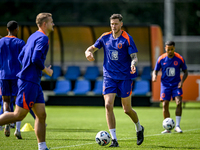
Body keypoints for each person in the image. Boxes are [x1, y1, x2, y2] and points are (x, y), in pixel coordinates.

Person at [85, 14, 144, 147]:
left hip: (125, 77)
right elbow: (91, 48)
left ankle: (139, 128)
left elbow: (134, 57)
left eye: (116, 24)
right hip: (109, 77)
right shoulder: (104, 37)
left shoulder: (127, 39)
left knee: (127, 109)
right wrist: (88, 53)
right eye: (112, 24)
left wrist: (133, 64)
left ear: (121, 24)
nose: (114, 26)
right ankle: (114, 139)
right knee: (108, 105)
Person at [0, 13, 54, 150]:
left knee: (41, 115)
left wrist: (27, 70)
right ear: (45, 24)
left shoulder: (33, 36)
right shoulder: (43, 38)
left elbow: (21, 56)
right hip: (29, 82)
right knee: (18, 115)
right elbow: (36, 58)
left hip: (33, 82)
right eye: (51, 22)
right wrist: (46, 70)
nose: (53, 24)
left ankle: (42, 147)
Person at [152, 41, 188, 134]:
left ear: (174, 48)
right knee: (165, 105)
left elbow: (185, 72)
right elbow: (155, 70)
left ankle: (177, 126)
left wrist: (182, 81)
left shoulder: (179, 58)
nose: (170, 51)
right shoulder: (161, 58)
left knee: (179, 102)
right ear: (165, 48)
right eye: (168, 50)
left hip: (176, 84)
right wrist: (154, 76)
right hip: (165, 85)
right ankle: (167, 128)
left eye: (172, 49)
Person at [0, 21, 25, 139]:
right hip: (16, 76)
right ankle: (18, 130)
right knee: (17, 102)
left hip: (3, 75)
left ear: (7, 29)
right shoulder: (20, 42)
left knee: (5, 102)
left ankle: (6, 125)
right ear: (17, 29)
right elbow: (25, 59)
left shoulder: (0, 42)